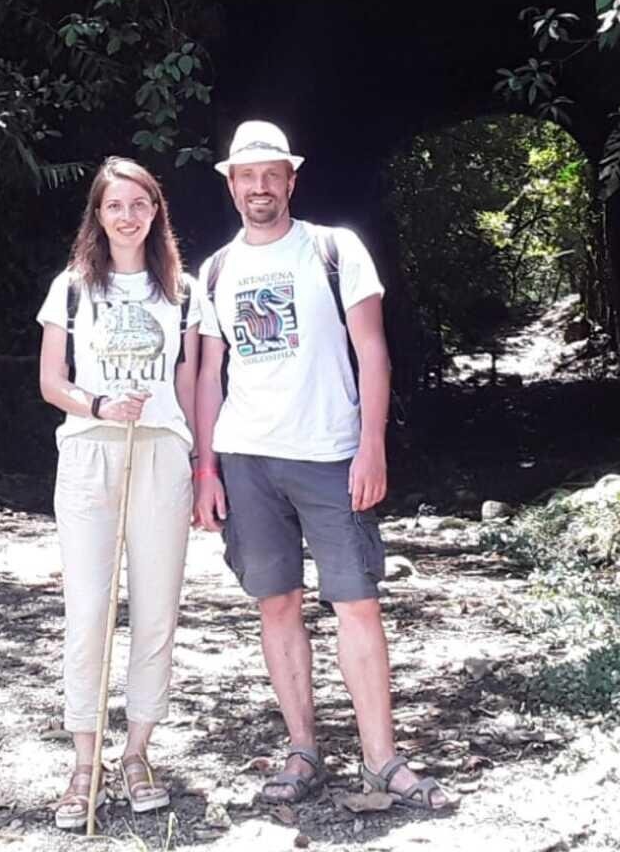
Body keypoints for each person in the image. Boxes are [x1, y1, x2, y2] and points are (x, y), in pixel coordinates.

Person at [191, 121, 454, 812]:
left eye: (271, 174)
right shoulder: (215, 270)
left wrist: (372, 445)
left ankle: (382, 760)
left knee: (356, 603)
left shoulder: (335, 249)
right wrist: (206, 468)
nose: (259, 186)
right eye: (247, 176)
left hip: (331, 452)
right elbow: (209, 374)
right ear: (231, 185)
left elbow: (372, 351)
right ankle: (302, 750)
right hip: (247, 456)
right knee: (275, 603)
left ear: (291, 180)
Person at [36, 157, 201, 829]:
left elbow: (190, 385)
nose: (127, 216)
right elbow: (52, 381)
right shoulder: (73, 288)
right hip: (88, 452)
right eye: (114, 206)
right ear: (97, 216)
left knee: (157, 608)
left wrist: (202, 461)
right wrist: (100, 404)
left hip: (161, 452)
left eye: (139, 204)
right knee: (89, 609)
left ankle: (137, 753)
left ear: (156, 211)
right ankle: (85, 763)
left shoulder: (184, 291)